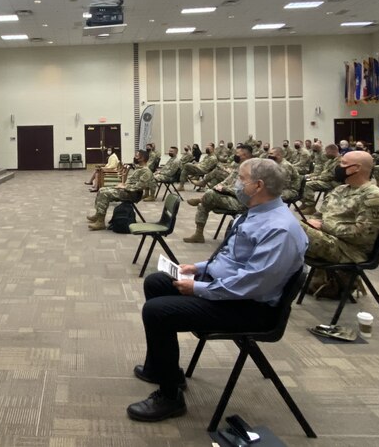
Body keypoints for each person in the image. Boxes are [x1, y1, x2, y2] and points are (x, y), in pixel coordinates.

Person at [127, 158, 308, 422]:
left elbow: (252, 283)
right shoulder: (257, 213)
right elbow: (234, 258)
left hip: (251, 308)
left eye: (240, 178)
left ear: (257, 186)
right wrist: (198, 268)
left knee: (157, 312)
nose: (235, 183)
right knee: (156, 282)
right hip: (234, 292)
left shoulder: (279, 229)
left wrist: (198, 288)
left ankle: (170, 397)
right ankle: (164, 369)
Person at [301, 151, 379, 264]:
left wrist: (324, 226)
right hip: (329, 239)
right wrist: (311, 223)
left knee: (293, 231)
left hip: (350, 250)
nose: (338, 167)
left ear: (356, 168)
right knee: (290, 226)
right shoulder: (340, 189)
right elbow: (319, 215)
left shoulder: (375, 197)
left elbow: (362, 235)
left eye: (343, 163)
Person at [183, 145, 254, 244]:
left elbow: (245, 191)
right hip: (231, 196)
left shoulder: (253, 170)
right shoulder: (240, 167)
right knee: (204, 202)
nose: (235, 155)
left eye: (238, 154)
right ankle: (198, 234)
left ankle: (202, 198)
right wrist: (219, 186)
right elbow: (227, 180)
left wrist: (225, 189)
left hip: (241, 202)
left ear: (245, 155)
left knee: (209, 195)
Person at [87, 150, 152, 231]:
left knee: (105, 194)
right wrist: (123, 185)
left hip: (132, 194)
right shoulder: (139, 168)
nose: (135, 157)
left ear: (142, 158)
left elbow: (140, 186)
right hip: (128, 190)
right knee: (101, 190)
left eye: (137, 156)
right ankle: (98, 215)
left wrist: (125, 187)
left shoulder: (146, 171)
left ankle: (101, 222)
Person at [300, 144, 341, 214]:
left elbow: (330, 176)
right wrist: (314, 177)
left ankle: (311, 207)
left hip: (333, 183)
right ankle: (305, 203)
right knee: (303, 180)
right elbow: (324, 172)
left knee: (308, 184)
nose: (325, 153)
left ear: (333, 151)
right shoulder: (330, 161)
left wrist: (316, 178)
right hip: (326, 180)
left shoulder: (339, 162)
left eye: (327, 152)